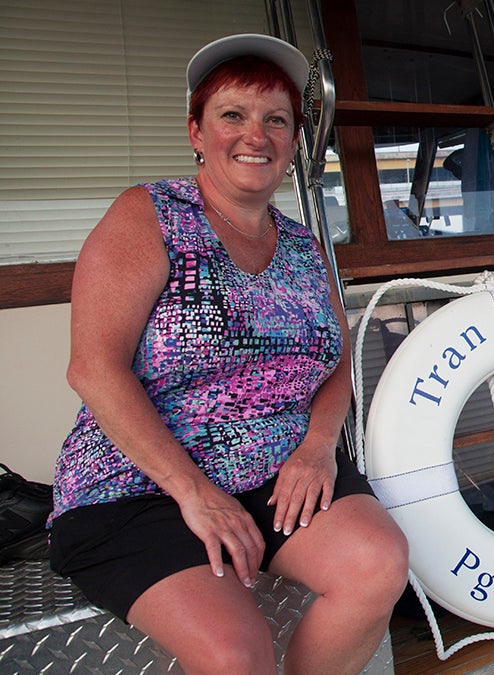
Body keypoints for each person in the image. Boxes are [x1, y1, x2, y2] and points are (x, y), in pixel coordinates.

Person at [48, 34, 408, 675]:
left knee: (377, 565)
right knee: (235, 653)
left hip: (277, 471)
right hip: (141, 485)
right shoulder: (150, 215)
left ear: (294, 140)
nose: (256, 136)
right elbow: (92, 369)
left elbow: (334, 361)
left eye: (277, 120)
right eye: (233, 115)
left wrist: (320, 443)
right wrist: (195, 492)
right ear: (196, 131)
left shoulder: (302, 245)